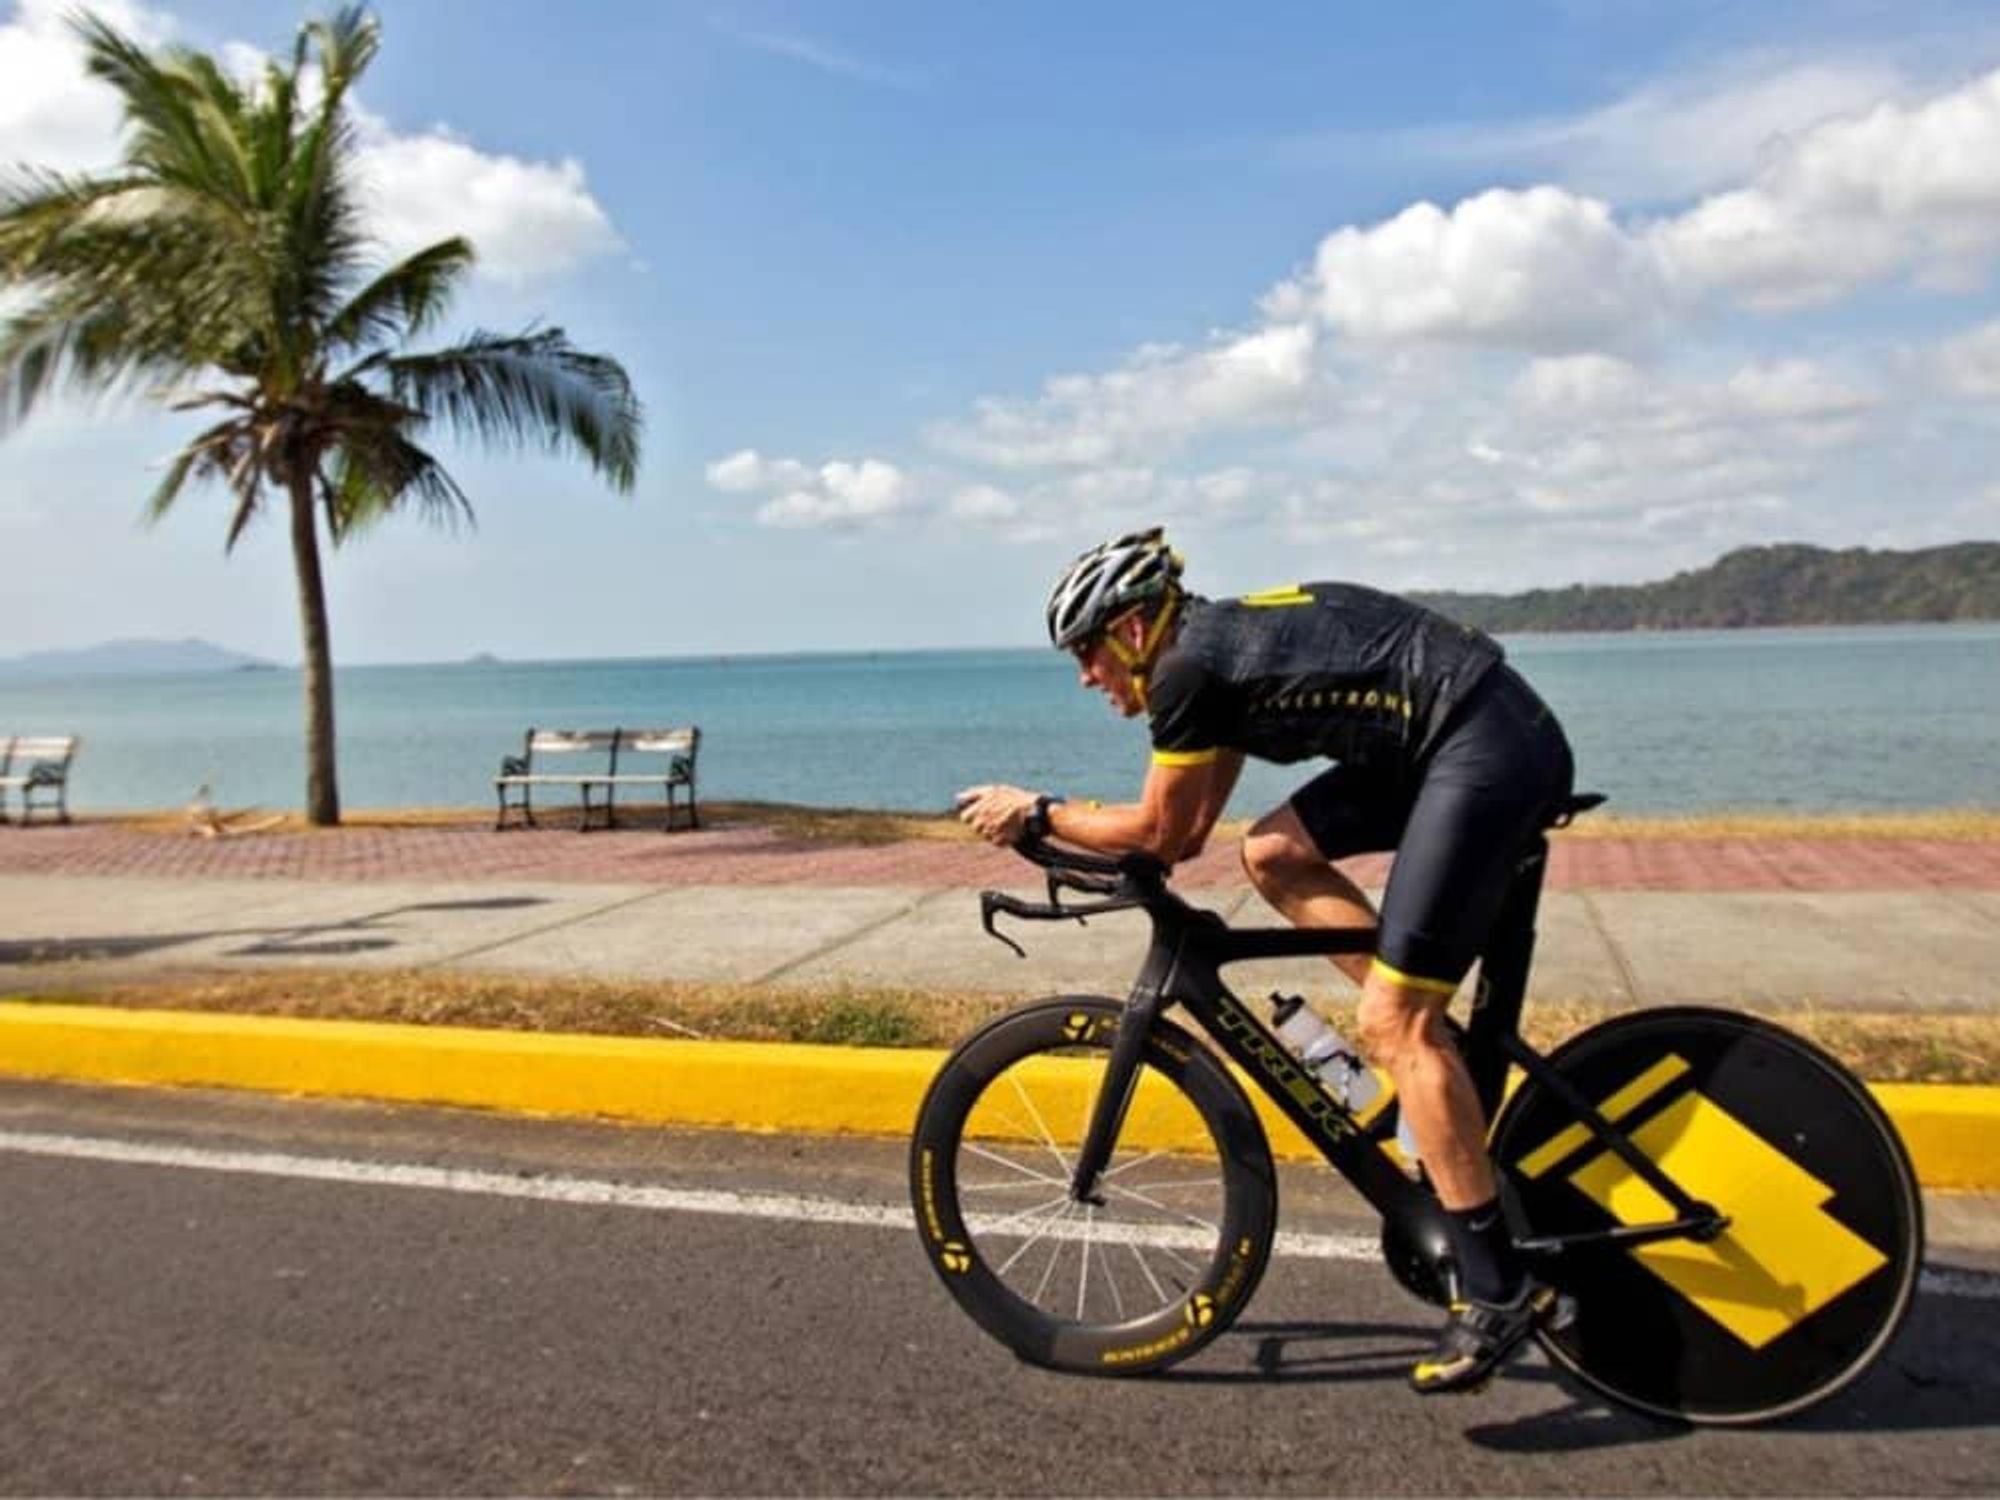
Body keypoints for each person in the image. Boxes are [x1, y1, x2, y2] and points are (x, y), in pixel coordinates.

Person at [956, 525, 1576, 1395]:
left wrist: (1038, 812)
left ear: (1132, 630)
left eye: (1087, 652)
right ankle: (1423, 1041)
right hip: (1467, 730)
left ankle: (1501, 1289)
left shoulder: (1186, 671)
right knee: (1274, 854)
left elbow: (1158, 829)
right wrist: (1106, 839)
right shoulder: (1212, 658)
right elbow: (1189, 837)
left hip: (1481, 745)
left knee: (1394, 1025)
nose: (1086, 677)